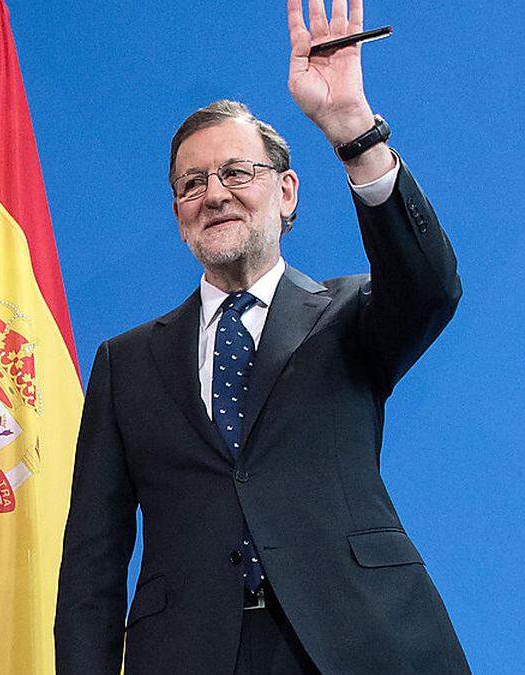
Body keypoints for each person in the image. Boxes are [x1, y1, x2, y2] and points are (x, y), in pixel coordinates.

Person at [54, 0, 469, 672]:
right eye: (192, 182)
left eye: (237, 172)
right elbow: (91, 568)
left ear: (286, 191)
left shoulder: (352, 314)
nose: (214, 193)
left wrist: (353, 129)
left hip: (360, 642)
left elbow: (431, 287)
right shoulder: (124, 364)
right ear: (177, 212)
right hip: (190, 653)